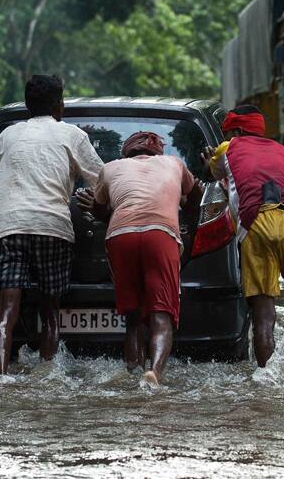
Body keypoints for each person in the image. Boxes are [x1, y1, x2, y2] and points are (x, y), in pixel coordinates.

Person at [0, 74, 104, 374]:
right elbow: (104, 181)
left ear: (28, 105)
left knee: (6, 311)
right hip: (53, 228)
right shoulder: (72, 136)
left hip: (9, 228)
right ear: (59, 105)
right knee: (51, 312)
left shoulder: (7, 135)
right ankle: (46, 375)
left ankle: (1, 377)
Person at [76, 131, 202, 386]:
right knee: (161, 315)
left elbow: (102, 210)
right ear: (158, 153)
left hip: (121, 235)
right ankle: (154, 373)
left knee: (133, 318)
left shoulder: (111, 168)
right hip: (161, 235)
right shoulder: (175, 164)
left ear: (127, 153)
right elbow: (194, 199)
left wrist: (99, 208)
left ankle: (134, 372)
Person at [202, 106, 284, 377]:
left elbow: (210, 176)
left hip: (256, 227)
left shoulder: (228, 148)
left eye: (226, 132)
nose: (223, 138)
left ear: (237, 131)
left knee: (263, 316)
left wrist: (208, 162)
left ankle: (266, 377)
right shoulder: (283, 151)